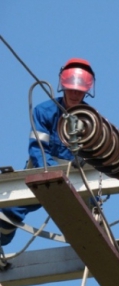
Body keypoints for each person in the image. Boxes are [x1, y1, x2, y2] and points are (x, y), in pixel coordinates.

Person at [0, 58, 96, 247]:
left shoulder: (93, 121)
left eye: (80, 90)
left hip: (78, 180)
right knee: (7, 213)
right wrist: (55, 175)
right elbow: (37, 150)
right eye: (72, 89)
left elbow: (98, 157)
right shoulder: (44, 112)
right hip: (43, 174)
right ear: (63, 86)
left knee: (90, 224)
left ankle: (91, 251)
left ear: (87, 91)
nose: (75, 94)